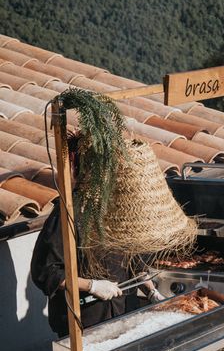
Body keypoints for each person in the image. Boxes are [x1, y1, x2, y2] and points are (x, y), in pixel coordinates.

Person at [30, 138, 164, 338]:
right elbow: (46, 271)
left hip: (121, 313)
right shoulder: (68, 213)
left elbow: (133, 259)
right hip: (84, 321)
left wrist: (152, 292)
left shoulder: (119, 206)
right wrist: (92, 286)